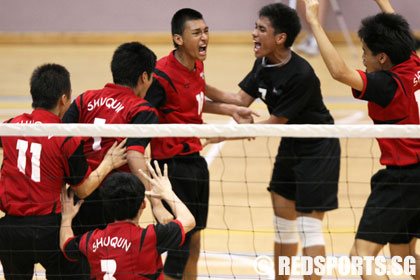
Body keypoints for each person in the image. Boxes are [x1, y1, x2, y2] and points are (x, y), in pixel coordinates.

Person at [205, 3, 341, 279]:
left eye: (261, 29)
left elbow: (274, 124)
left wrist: (220, 135)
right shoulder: (263, 64)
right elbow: (239, 100)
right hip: (291, 145)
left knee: (309, 228)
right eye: (255, 27)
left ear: (280, 38)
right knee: (283, 224)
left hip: (318, 148)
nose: (253, 33)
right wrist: (195, 82)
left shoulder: (300, 74)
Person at [302, 0, 420, 278]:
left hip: (401, 180)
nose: (362, 59)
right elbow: (398, 28)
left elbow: (339, 72)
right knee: (403, 257)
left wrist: (315, 22)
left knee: (361, 256)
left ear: (382, 58)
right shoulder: (413, 63)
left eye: (365, 53)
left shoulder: (386, 85)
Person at [144, 8, 257, 280]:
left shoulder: (197, 65)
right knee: (178, 245)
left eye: (206, 31)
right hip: (171, 168)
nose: (204, 37)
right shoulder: (160, 76)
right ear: (178, 39)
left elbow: (193, 98)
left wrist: (231, 109)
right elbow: (141, 118)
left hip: (195, 163)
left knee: (194, 242)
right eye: (196, 33)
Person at [0, 63, 127, 279]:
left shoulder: (10, 127)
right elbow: (84, 190)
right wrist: (108, 163)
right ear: (64, 99)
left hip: (10, 231)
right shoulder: (67, 139)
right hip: (50, 230)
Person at [63, 41, 171, 238]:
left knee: (80, 261)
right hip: (116, 203)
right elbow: (133, 154)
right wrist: (156, 203)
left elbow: (59, 141)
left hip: (78, 199)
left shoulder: (84, 99)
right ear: (144, 77)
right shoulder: (143, 110)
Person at [60, 161, 195, 280]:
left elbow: (66, 245)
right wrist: (167, 192)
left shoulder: (91, 240)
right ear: (143, 205)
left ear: (107, 206)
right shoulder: (149, 238)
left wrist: (66, 218)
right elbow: (188, 220)